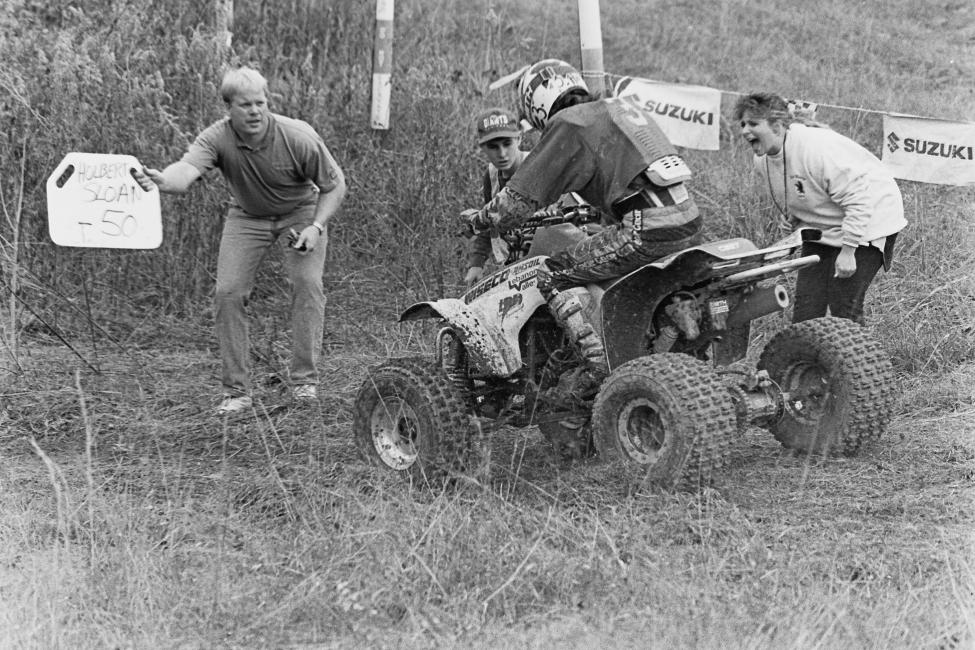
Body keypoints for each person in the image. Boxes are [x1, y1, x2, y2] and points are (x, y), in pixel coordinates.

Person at [463, 59, 702, 394]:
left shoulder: (569, 123)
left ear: (537, 105)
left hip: (644, 225)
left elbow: (514, 207)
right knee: (608, 267)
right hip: (688, 218)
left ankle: (600, 370)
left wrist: (477, 220)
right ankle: (660, 329)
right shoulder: (618, 108)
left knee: (550, 272)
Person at [134, 66, 347, 414]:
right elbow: (184, 173)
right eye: (246, 105)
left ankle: (304, 383)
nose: (255, 111)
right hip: (248, 215)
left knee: (307, 283)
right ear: (229, 108)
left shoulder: (297, 136)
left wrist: (316, 226)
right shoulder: (217, 137)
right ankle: (237, 392)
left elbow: (335, 185)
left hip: (301, 213)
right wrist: (160, 180)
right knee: (228, 293)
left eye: (260, 103)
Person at [733, 92, 907, 324]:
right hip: (824, 226)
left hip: (870, 219)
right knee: (807, 307)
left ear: (777, 125)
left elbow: (859, 200)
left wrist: (848, 252)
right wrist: (794, 217)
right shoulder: (762, 160)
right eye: (743, 124)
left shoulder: (815, 149)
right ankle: (804, 360)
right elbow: (800, 190)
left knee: (843, 305)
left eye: (753, 124)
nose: (745, 130)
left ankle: (855, 358)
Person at [464, 107, 528, 287]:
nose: (501, 153)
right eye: (493, 147)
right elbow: (488, 219)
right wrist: (476, 263)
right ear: (482, 147)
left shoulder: (537, 168)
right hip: (513, 266)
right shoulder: (492, 175)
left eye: (507, 143)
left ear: (519, 138)